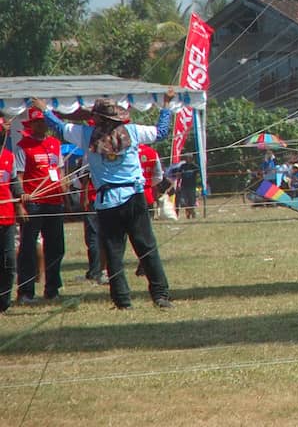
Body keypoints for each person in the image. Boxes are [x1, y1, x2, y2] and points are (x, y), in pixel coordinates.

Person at [40, 94, 176, 309]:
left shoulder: (86, 135)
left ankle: (122, 300)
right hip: (134, 196)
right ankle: (161, 295)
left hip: (106, 201)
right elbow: (161, 132)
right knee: (147, 247)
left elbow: (59, 128)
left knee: (113, 252)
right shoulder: (132, 132)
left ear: (98, 119)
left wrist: (44, 110)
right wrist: (167, 105)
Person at [15, 106, 67, 305]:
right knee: (28, 247)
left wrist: (64, 190)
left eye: (43, 121)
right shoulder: (23, 146)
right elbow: (18, 176)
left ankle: (52, 288)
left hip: (54, 202)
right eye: (38, 122)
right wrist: (21, 201)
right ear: (32, 125)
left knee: (56, 247)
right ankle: (26, 291)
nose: (42, 125)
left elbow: (59, 171)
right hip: (34, 203)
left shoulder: (55, 143)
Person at [1, 115, 20, 313]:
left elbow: (14, 181)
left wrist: (22, 195)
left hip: (7, 217)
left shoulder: (9, 156)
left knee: (8, 262)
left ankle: (4, 301)